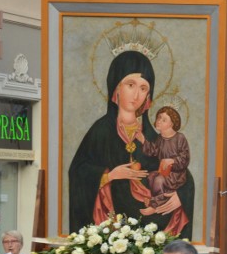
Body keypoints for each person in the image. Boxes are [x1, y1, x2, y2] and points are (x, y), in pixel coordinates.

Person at [68, 50, 192, 237]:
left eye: (143, 88)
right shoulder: (101, 131)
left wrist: (181, 197)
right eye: (130, 84)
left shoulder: (154, 136)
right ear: (116, 87)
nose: (136, 95)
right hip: (114, 228)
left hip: (154, 226)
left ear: (149, 96)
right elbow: (78, 172)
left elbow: (182, 173)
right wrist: (110, 175)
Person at [135, 105, 191, 212]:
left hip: (177, 175)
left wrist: (173, 160)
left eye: (164, 119)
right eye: (159, 117)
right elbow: (153, 151)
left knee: (158, 180)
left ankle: (155, 205)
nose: (159, 121)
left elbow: (185, 158)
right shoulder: (160, 138)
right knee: (151, 177)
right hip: (164, 172)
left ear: (172, 124)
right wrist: (143, 140)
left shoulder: (180, 138)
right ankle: (157, 200)